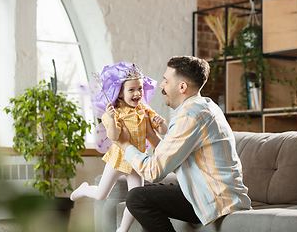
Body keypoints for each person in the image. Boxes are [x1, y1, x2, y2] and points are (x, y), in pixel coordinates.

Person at [114, 55, 252, 232]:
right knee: (145, 194)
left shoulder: (190, 116)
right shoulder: (204, 106)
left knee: (137, 198)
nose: (161, 86)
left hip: (215, 199)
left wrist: (124, 144)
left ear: (182, 87)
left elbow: (153, 171)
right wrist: (150, 135)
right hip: (211, 194)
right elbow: (171, 157)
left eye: (165, 80)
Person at [70, 62, 168, 232]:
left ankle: (122, 229)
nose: (137, 93)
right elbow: (114, 137)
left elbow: (163, 131)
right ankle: (85, 189)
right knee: (101, 195)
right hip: (117, 159)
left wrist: (160, 124)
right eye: (132, 90)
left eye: (140, 88)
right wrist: (112, 119)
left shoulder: (144, 110)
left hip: (137, 160)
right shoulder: (113, 113)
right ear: (120, 93)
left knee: (135, 197)